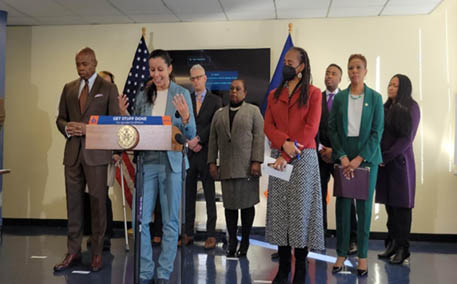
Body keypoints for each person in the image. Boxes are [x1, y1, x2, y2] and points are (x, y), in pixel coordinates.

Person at [132, 49, 196, 284]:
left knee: (170, 220)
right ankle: (145, 270)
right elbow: (135, 130)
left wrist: (187, 118)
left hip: (172, 163)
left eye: (160, 69)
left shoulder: (181, 94)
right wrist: (122, 116)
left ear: (170, 69)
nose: (156, 74)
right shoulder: (142, 96)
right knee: (140, 220)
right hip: (147, 163)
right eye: (152, 70)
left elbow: (190, 135)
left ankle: (163, 272)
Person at [55, 47, 120, 272]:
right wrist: (67, 127)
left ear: (94, 63)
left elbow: (115, 122)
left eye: (84, 64)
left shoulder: (108, 88)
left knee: (97, 204)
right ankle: (72, 252)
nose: (81, 68)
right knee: (73, 204)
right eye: (78, 64)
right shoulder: (69, 88)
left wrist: (89, 128)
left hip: (97, 154)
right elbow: (60, 119)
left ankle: (96, 254)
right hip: (72, 155)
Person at [264, 46, 325, 284]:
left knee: (300, 213)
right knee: (280, 211)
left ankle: (300, 266)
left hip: (303, 157)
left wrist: (289, 151)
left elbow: (311, 128)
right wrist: (284, 144)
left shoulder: (313, 93)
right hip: (280, 154)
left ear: (301, 67)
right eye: (285, 62)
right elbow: (268, 126)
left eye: (290, 63)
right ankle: (283, 267)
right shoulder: (273, 95)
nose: (285, 66)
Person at [329, 54, 384, 276]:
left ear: (365, 71)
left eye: (358, 67)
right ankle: (341, 254)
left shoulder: (376, 98)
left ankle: (362, 256)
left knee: (364, 210)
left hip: (366, 159)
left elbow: (376, 132)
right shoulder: (340, 98)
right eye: (350, 67)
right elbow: (332, 128)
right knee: (342, 208)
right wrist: (342, 156)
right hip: (343, 157)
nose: (354, 71)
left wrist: (359, 158)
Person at [208, 79, 264, 258]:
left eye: (238, 89)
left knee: (247, 207)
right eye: (231, 89)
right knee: (230, 208)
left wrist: (256, 161)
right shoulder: (219, 114)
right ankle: (232, 241)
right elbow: (213, 140)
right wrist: (212, 162)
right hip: (227, 168)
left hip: (248, 168)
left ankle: (245, 241)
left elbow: (259, 138)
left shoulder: (253, 112)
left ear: (245, 93)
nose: (233, 92)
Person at [376, 74, 420, 264]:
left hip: (400, 164)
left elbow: (406, 139)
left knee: (402, 209)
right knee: (390, 207)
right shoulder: (385, 108)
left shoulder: (411, 107)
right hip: (384, 165)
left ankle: (403, 249)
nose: (391, 87)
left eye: (395, 85)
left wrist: (385, 156)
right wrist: (378, 155)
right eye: (390, 84)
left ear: (404, 88)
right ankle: (392, 244)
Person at [318, 64, 358, 254]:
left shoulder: (346, 99)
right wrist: (321, 149)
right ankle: (319, 236)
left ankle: (351, 239)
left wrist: (335, 151)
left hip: (341, 156)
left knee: (346, 197)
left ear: (340, 79)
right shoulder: (316, 98)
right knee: (318, 196)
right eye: (327, 73)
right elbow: (311, 126)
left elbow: (349, 128)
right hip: (319, 155)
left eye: (334, 74)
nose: (329, 76)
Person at [184, 64, 222, 249]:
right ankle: (188, 233)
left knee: (209, 195)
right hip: (189, 152)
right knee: (188, 195)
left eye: (198, 77)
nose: (196, 81)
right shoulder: (186, 99)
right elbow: (181, 122)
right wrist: (190, 140)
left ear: (205, 78)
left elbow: (215, 125)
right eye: (192, 78)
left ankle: (211, 234)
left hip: (207, 152)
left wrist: (199, 139)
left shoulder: (216, 101)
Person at [83, 70, 117, 251]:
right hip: (89, 155)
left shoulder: (114, 102)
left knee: (102, 196)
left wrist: (118, 151)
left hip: (107, 155)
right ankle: (92, 233)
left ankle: (105, 235)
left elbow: (121, 127)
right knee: (89, 195)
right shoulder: (90, 102)